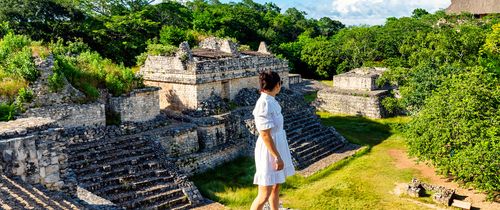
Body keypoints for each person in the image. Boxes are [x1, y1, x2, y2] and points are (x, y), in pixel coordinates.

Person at [250, 71, 295, 210]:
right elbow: (265, 134)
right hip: (268, 151)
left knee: (276, 186)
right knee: (264, 193)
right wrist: (277, 157)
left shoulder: (271, 100)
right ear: (277, 85)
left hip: (277, 145)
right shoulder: (263, 103)